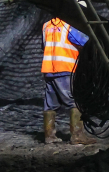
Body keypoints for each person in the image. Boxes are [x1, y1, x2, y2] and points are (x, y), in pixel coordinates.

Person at [41, 17, 97, 145]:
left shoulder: (46, 25)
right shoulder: (70, 24)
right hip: (65, 68)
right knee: (75, 102)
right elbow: (84, 42)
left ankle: (49, 136)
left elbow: (44, 46)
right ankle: (77, 136)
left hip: (49, 69)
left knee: (50, 104)